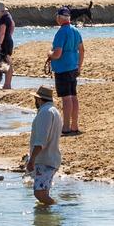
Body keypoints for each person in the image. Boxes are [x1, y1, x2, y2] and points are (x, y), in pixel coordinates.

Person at [45, 7, 84, 135]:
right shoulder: (75, 30)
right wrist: (79, 65)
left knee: (66, 98)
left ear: (60, 18)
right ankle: (74, 125)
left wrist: (49, 53)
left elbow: (57, 54)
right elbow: (82, 50)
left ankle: (66, 126)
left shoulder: (61, 32)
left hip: (63, 69)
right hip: (73, 66)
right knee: (73, 96)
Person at [25, 85, 63, 205]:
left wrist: (31, 160)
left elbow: (41, 141)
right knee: (44, 192)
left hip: (45, 159)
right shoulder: (54, 111)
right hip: (52, 157)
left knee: (39, 193)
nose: (35, 102)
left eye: (35, 99)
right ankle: (48, 215)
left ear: (39, 99)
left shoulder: (45, 113)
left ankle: (58, 208)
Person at [0, 2, 15, 89]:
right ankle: (7, 84)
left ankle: (7, 84)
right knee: (6, 62)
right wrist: (9, 36)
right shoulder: (8, 16)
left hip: (5, 43)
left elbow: (2, 32)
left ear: (0, 11)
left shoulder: (3, 19)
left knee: (7, 62)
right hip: (7, 41)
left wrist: (0, 44)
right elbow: (13, 26)